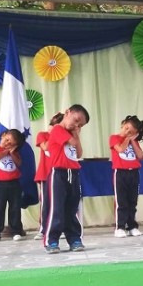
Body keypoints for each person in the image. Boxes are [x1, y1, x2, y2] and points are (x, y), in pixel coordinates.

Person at [43, 104, 90, 254]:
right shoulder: (57, 129)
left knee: (71, 208)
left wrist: (77, 134)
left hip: (74, 173)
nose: (77, 125)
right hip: (59, 174)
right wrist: (76, 134)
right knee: (57, 209)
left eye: (80, 125)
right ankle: (52, 240)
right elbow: (73, 143)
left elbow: (78, 153)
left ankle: (74, 238)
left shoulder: (72, 134)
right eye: (76, 120)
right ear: (67, 112)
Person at [110, 115, 143, 238]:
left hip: (134, 173)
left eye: (131, 131)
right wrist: (127, 138)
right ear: (123, 124)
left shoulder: (134, 142)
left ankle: (132, 226)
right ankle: (120, 227)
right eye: (126, 128)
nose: (127, 132)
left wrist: (133, 140)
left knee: (132, 201)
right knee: (122, 202)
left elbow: (140, 155)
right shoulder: (114, 138)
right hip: (120, 173)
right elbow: (120, 149)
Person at [0, 129, 26, 242]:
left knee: (15, 208)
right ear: (3, 135)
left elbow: (19, 163)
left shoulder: (14, 152)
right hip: (0, 184)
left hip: (14, 184)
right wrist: (7, 150)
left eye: (11, 144)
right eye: (7, 139)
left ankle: (16, 231)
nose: (8, 143)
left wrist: (12, 152)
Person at [33, 113, 64, 241]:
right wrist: (55, 134)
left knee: (59, 203)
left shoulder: (65, 137)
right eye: (52, 125)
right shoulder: (43, 135)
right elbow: (45, 146)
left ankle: (59, 228)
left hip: (59, 174)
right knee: (46, 203)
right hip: (45, 174)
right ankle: (43, 229)